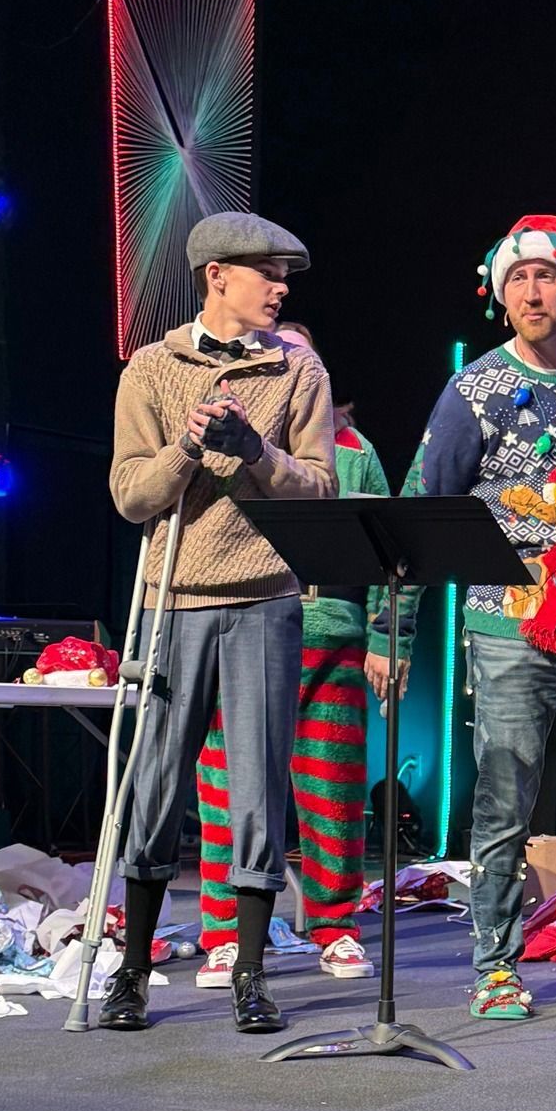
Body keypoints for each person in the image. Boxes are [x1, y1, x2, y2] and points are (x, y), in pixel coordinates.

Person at [368, 214, 556, 1021]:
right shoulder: (477, 389)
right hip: (510, 627)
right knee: (504, 796)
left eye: (547, 276)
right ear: (499, 293)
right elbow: (421, 505)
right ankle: (495, 965)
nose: (532, 292)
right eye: (518, 279)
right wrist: (387, 627)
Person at [104, 212, 336, 1033]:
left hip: (266, 596)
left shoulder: (297, 369)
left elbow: (320, 489)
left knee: (257, 784)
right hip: (177, 597)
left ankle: (247, 971)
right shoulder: (154, 366)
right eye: (265, 273)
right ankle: (131, 968)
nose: (279, 288)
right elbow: (130, 495)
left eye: (284, 276)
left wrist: (257, 453)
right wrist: (189, 452)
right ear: (217, 278)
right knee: (157, 780)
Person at [193, 320, 383, 988]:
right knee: (228, 787)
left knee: (332, 793)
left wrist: (385, 638)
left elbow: (392, 555)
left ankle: (335, 926)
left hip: (330, 638)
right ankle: (223, 933)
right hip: (243, 633)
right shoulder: (231, 450)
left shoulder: (355, 455)